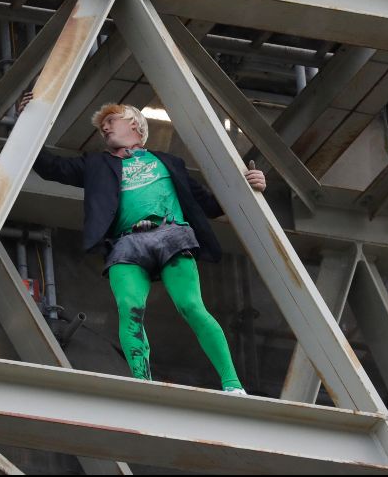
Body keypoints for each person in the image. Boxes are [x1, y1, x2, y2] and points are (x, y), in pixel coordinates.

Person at [27, 99, 266, 394]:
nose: (104, 126)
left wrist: (249, 185)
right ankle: (143, 385)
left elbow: (210, 206)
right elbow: (50, 167)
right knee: (130, 308)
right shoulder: (96, 164)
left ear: (135, 125)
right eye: (103, 125)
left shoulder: (169, 162)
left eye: (111, 120)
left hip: (172, 234)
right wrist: (29, 120)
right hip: (126, 243)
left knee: (191, 305)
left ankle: (232, 384)